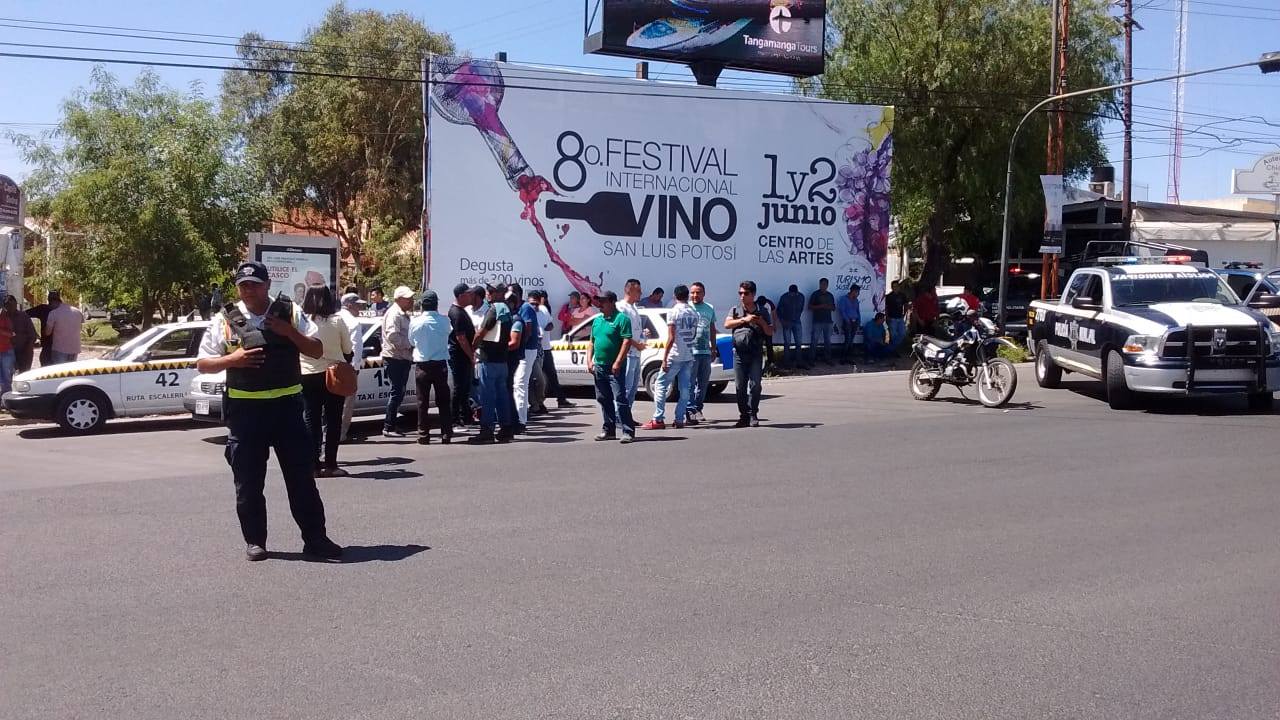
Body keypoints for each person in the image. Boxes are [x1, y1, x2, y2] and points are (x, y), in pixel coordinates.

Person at [195, 261, 340, 562]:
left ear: (267, 285)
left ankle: (316, 540)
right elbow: (203, 364)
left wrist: (289, 332)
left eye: (255, 284)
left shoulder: (290, 311)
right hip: (246, 412)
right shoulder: (225, 319)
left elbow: (315, 350)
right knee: (248, 482)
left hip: (287, 411)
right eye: (243, 284)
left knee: (302, 480)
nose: (249, 290)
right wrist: (232, 359)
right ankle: (255, 541)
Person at [299, 284, 353, 478]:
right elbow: (348, 349)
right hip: (334, 374)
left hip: (307, 374)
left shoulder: (301, 321)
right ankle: (331, 464)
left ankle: (313, 464)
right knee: (333, 420)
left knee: (310, 419)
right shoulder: (337, 321)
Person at [641, 285, 697, 430]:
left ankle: (658, 419)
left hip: (675, 354)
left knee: (660, 385)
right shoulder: (693, 312)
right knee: (685, 388)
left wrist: (665, 358)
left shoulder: (674, 312)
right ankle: (679, 419)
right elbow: (694, 334)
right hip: (689, 354)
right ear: (688, 296)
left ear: (675, 296)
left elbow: (671, 338)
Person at [586, 290, 634, 443]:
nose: (600, 304)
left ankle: (628, 431)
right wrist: (589, 360)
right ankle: (609, 430)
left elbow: (626, 342)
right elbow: (591, 342)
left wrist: (618, 361)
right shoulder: (598, 320)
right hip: (599, 366)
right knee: (603, 398)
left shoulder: (622, 319)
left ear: (612, 301)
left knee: (619, 397)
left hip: (614, 367)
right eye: (599, 301)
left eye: (603, 301)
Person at [470, 284, 515, 444]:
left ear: (499, 293)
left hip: (488, 359)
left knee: (487, 396)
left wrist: (472, 347)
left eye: (491, 291)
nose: (488, 293)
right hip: (502, 359)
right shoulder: (507, 310)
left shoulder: (494, 309)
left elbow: (483, 330)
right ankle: (506, 429)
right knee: (502, 396)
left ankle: (487, 430)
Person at [726, 280, 774, 428]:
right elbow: (727, 324)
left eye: (745, 293)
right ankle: (743, 416)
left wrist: (761, 322)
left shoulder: (762, 311)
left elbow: (770, 331)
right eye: (740, 293)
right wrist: (744, 319)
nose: (742, 296)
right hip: (739, 353)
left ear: (753, 295)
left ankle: (753, 413)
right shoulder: (735, 310)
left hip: (755, 353)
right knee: (740, 386)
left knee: (755, 385)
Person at [410, 290, 453, 445]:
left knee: (422, 402)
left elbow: (412, 341)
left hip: (422, 364)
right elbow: (448, 333)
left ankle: (423, 435)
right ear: (436, 305)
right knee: (443, 400)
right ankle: (446, 433)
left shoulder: (415, 322)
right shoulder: (444, 321)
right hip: (440, 363)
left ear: (422, 305)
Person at [379, 286, 415, 438]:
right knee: (396, 392)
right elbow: (393, 337)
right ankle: (389, 426)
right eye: (408, 299)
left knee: (399, 392)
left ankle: (391, 424)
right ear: (399, 299)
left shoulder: (401, 313)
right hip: (395, 358)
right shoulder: (394, 314)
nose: (412, 301)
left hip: (402, 358)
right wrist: (409, 344)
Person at [685, 281, 719, 425]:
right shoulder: (686, 308)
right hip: (690, 352)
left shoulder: (709, 308)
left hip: (705, 351)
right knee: (690, 383)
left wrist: (713, 347)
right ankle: (690, 410)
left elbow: (712, 328)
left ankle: (698, 408)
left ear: (703, 294)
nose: (695, 295)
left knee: (704, 383)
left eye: (698, 292)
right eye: (692, 292)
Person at [616, 279, 648, 424]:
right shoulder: (621, 307)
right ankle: (619, 417)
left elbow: (635, 331)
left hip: (636, 353)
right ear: (629, 290)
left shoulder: (634, 308)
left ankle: (626, 416)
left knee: (633, 388)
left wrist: (643, 337)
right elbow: (621, 333)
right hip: (627, 354)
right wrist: (635, 344)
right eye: (638, 290)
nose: (640, 293)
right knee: (625, 388)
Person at [511, 285, 541, 431]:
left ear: (517, 294)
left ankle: (521, 421)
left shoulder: (526, 308)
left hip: (527, 350)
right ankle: (517, 417)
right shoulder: (515, 308)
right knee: (517, 384)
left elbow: (528, 330)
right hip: (521, 350)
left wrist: (519, 347)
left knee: (520, 384)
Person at [447, 283, 476, 430]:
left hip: (464, 355)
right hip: (459, 355)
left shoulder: (462, 311)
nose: (471, 296)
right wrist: (471, 355)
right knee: (459, 387)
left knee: (465, 387)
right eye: (468, 294)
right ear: (460, 296)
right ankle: (455, 420)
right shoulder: (456, 313)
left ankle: (467, 416)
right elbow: (461, 338)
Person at [337, 293, 365, 443]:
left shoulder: (334, 318)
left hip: (331, 366)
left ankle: (328, 432)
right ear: (348, 305)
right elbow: (356, 348)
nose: (360, 308)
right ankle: (340, 434)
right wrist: (354, 368)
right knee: (346, 403)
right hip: (347, 367)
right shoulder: (353, 323)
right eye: (357, 305)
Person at [536, 291, 572, 409]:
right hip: (537, 348)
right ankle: (538, 403)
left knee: (550, 375)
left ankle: (559, 399)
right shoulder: (530, 309)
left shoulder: (544, 309)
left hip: (545, 347)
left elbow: (551, 324)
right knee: (539, 377)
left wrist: (544, 328)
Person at [44, 291, 83, 365]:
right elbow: (80, 328)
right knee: (70, 371)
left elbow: (47, 332)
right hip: (75, 347)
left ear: (51, 302)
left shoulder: (53, 313)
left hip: (60, 348)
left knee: (60, 372)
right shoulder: (77, 311)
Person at [776, 284, 806, 369]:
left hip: (797, 321)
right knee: (787, 343)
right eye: (791, 294)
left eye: (794, 294)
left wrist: (797, 316)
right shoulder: (784, 297)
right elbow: (778, 310)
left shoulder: (801, 297)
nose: (793, 295)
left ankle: (799, 362)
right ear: (789, 292)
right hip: (787, 322)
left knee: (799, 343)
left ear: (797, 292)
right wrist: (783, 321)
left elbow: (801, 308)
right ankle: (786, 363)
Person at [808, 278, 835, 364]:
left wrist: (828, 307)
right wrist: (820, 306)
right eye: (821, 284)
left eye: (825, 284)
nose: (823, 286)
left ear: (827, 285)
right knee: (814, 341)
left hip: (828, 321)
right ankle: (811, 359)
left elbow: (834, 308)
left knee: (827, 341)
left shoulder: (830, 295)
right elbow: (809, 307)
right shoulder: (815, 294)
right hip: (817, 321)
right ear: (819, 284)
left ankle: (828, 358)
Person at [8, 295, 36, 374]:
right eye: (7, 305)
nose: (10, 307)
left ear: (15, 304)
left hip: (24, 352)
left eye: (12, 304)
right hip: (8, 353)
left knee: (24, 375)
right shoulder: (3, 318)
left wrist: (29, 349)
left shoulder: (23, 316)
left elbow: (32, 335)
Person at [837, 285, 862, 365]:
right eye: (857, 292)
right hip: (848, 322)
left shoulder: (856, 300)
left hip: (855, 321)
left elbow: (858, 311)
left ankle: (849, 358)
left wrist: (858, 321)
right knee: (847, 340)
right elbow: (842, 311)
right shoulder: (844, 299)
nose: (858, 294)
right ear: (853, 291)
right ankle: (843, 358)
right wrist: (848, 320)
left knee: (851, 340)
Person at [884, 280, 910, 351]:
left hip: (900, 318)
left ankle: (894, 348)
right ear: (892, 287)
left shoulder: (902, 295)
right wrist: (887, 317)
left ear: (899, 287)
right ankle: (893, 350)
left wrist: (904, 313)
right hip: (892, 318)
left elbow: (906, 304)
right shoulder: (889, 296)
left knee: (903, 333)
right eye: (894, 286)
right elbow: (886, 308)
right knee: (893, 335)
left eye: (897, 286)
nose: (895, 288)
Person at [757, 292, 778, 371]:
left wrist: (774, 325)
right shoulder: (756, 304)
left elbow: (774, 314)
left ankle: (771, 361)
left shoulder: (770, 304)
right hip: (759, 327)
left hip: (768, 325)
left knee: (769, 344)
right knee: (758, 345)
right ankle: (759, 362)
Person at [0, 297, 15, 394]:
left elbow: (11, 334)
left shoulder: (5, 318)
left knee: (7, 378)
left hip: (6, 351)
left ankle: (7, 399)